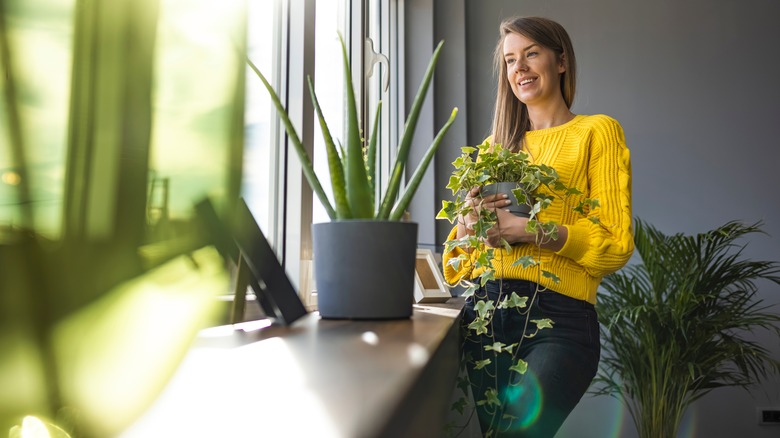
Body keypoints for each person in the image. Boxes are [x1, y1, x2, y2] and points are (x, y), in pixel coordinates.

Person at [442, 16, 634, 437]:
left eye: (531, 54)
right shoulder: (493, 150)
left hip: (561, 317)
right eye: (511, 60)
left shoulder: (596, 133)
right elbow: (459, 267)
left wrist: (529, 231)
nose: (520, 69)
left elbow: (615, 245)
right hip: (487, 314)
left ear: (561, 61)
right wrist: (466, 224)